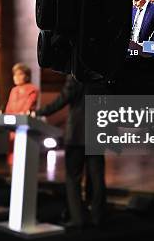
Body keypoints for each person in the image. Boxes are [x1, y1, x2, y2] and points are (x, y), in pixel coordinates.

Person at [35, 75, 106, 228]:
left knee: (73, 177)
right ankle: (97, 217)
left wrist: (39, 112)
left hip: (77, 133)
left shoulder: (76, 75)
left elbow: (63, 98)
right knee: (97, 176)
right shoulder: (103, 74)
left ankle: (78, 218)